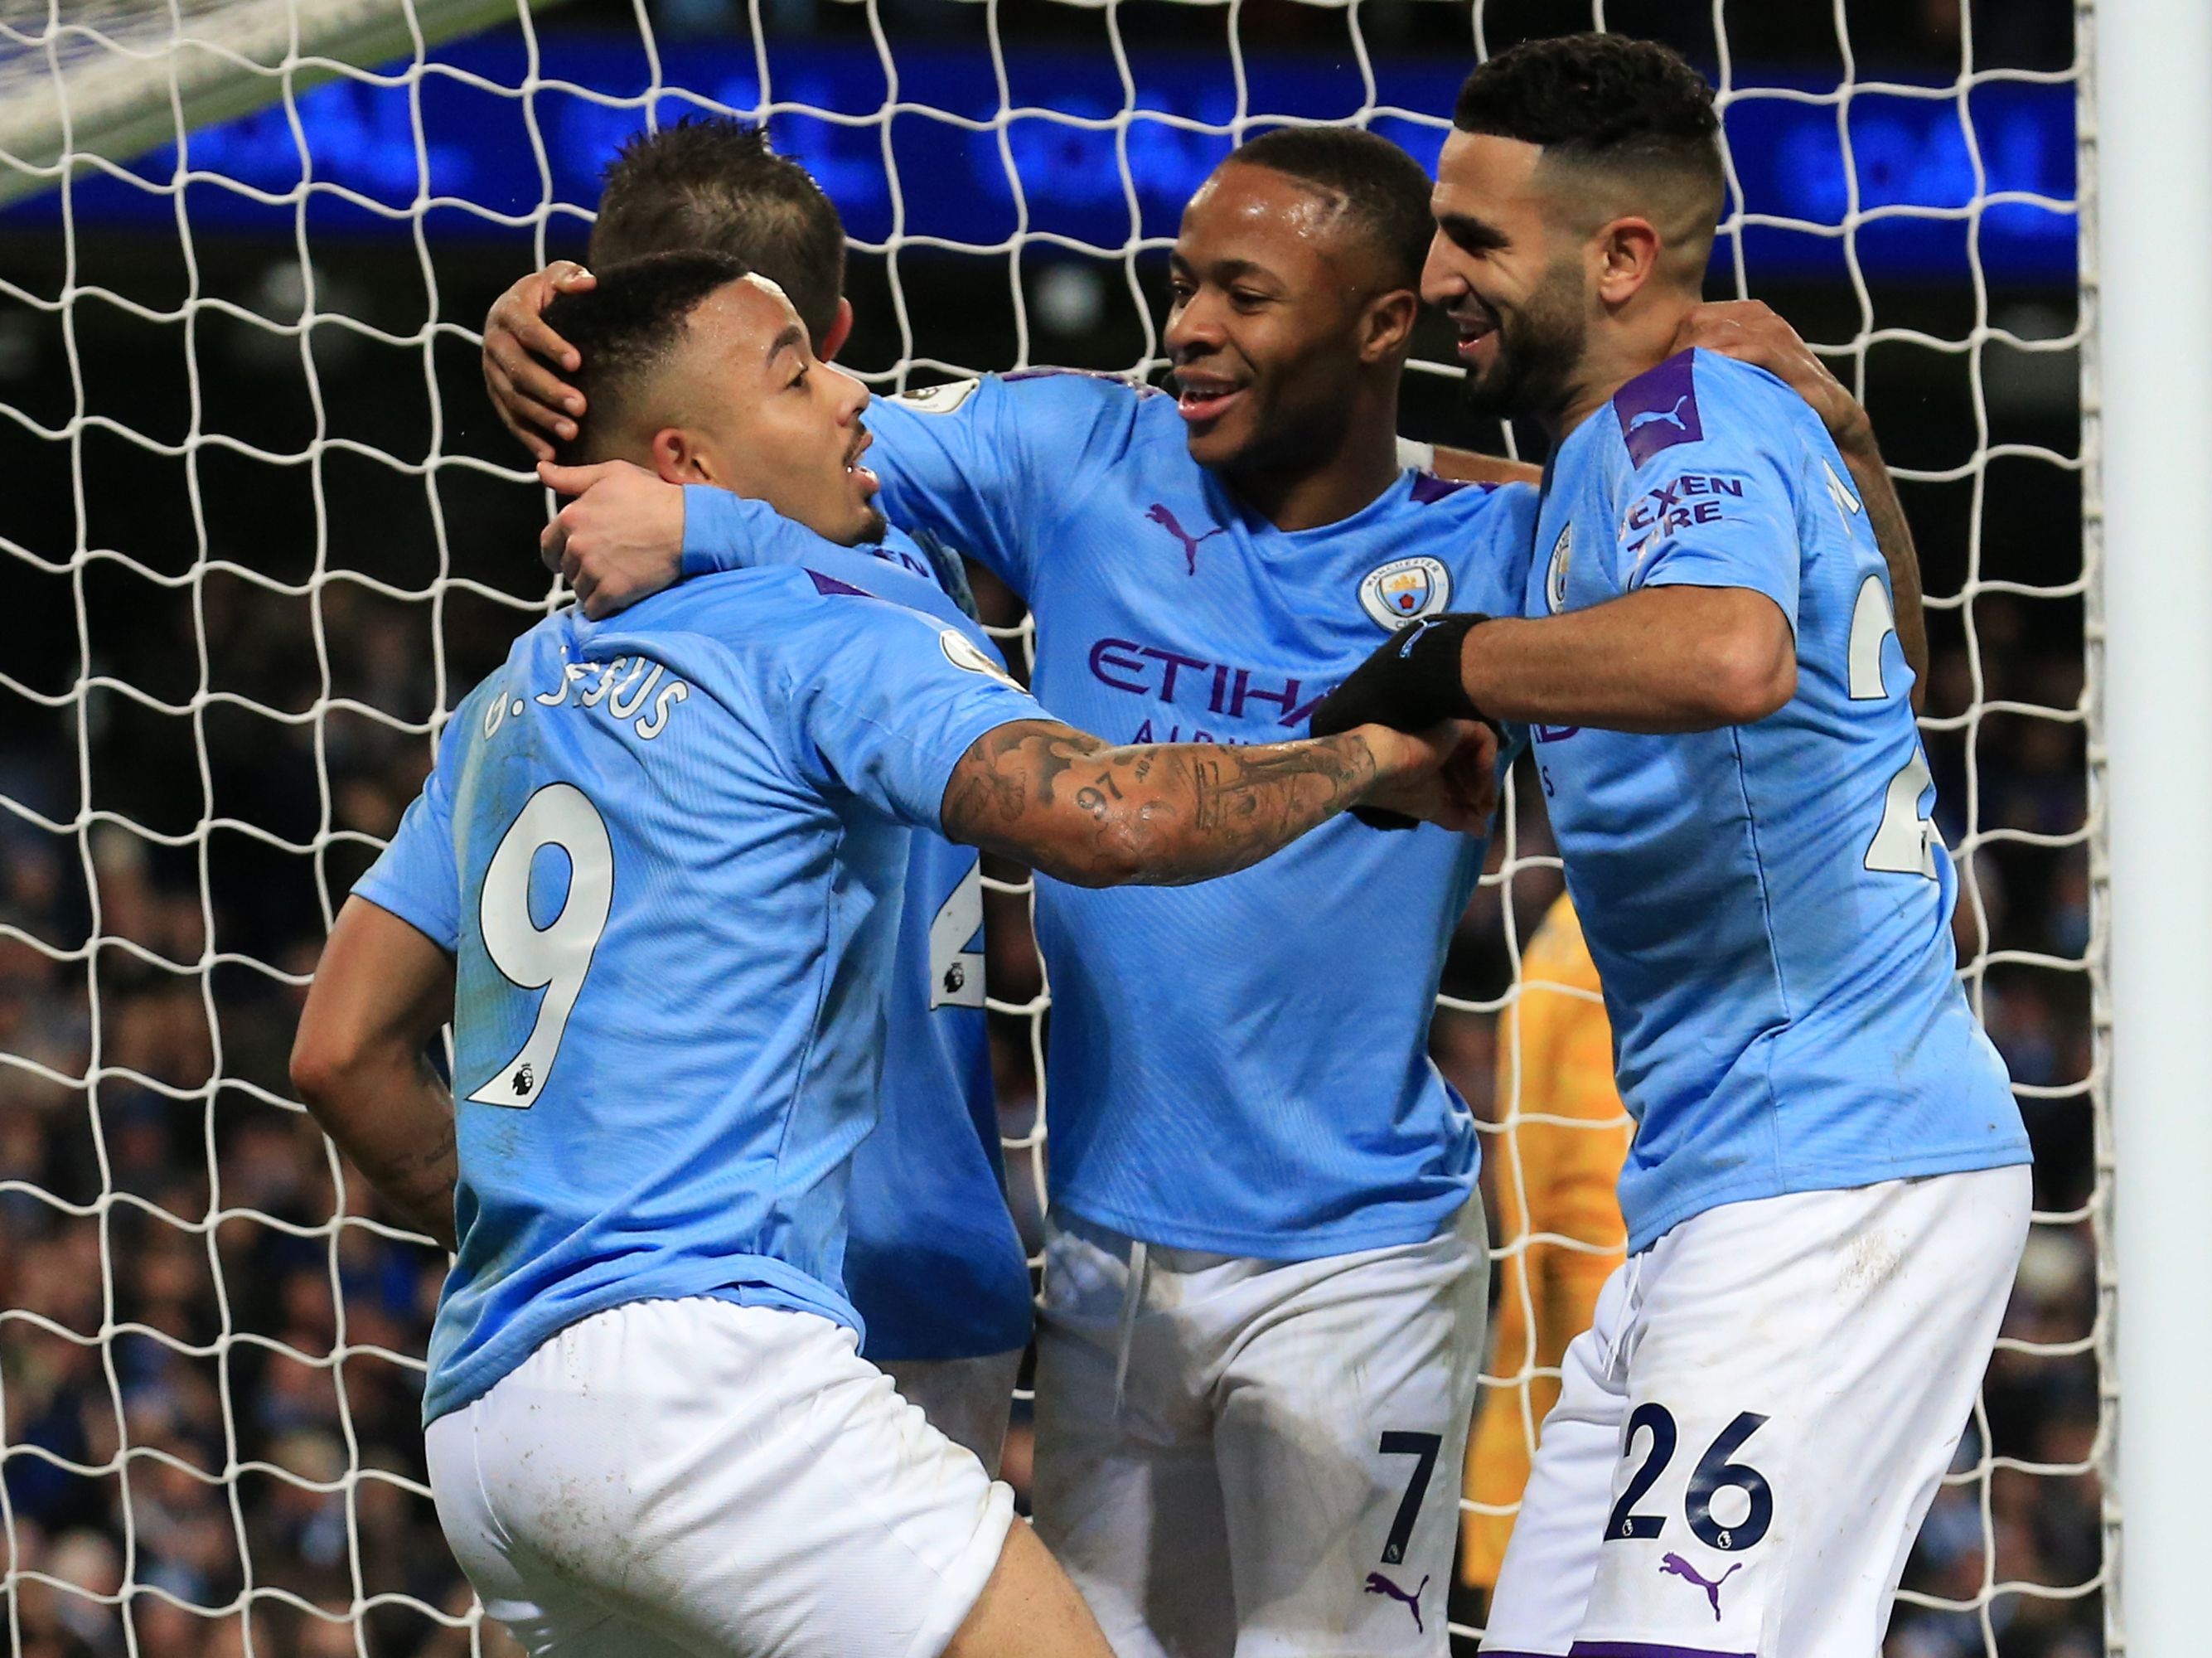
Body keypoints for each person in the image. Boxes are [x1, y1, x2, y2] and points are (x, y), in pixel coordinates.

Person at [287, 250, 1496, 1658]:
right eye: (798, 372)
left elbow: (338, 1052)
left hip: (492, 1418)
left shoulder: (514, 695)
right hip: (708, 1371)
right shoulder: (829, 629)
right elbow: (1114, 818)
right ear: (687, 462)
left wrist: (567, 1267)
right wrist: (1371, 757)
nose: (852, 394)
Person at [1312, 35, 2035, 1658]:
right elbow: (1882, 681)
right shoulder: (1650, 451)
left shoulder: (1672, 432)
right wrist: (1853, 443)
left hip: (1832, 1177)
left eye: (1477, 240)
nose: (1436, 278)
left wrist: (1449, 661)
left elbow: (1734, 653)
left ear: (1623, 256)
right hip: (1728, 1181)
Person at [513, 119, 1033, 1469]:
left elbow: (341, 1049)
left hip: (617, 1290)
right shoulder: (909, 572)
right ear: (838, 330)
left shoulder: (558, 659)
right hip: (913, 1265)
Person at [1458, 893, 1631, 1596]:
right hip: (1610, 1412)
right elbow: (1589, 1221)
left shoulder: (1570, 928)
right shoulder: (1625, 929)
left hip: (1542, 1430)